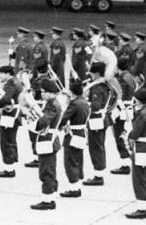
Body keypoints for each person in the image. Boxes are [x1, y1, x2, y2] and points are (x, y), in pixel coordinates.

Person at [125, 88, 146, 220]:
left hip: (142, 148)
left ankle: (142, 208)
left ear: (138, 100)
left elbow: (134, 134)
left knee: (139, 178)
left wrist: (128, 127)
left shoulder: (142, 114)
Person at [30, 79, 62, 210]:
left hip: (47, 139)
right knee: (49, 169)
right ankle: (51, 195)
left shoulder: (52, 105)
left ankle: (47, 199)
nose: (42, 94)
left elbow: (44, 121)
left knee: (46, 171)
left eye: (44, 92)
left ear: (51, 92)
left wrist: (32, 122)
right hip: (49, 138)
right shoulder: (53, 103)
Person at [58, 81, 89, 198]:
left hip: (72, 134)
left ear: (71, 92)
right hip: (80, 132)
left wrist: (60, 126)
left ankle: (74, 188)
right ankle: (77, 184)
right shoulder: (84, 102)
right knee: (78, 159)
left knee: (70, 161)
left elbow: (64, 118)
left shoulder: (74, 104)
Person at [84, 62, 112, 186]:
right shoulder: (105, 84)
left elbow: (95, 106)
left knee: (95, 147)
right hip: (101, 119)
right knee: (99, 146)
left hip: (96, 120)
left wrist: (85, 103)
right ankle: (99, 172)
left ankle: (99, 175)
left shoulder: (97, 87)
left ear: (96, 73)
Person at [0, 66, 22, 178]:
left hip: (10, 114)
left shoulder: (10, 84)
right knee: (11, 139)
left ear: (7, 74)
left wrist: (0, 103)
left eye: (1, 73)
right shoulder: (16, 81)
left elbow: (6, 99)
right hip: (15, 112)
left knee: (6, 141)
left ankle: (9, 168)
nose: (0, 76)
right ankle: (12, 163)